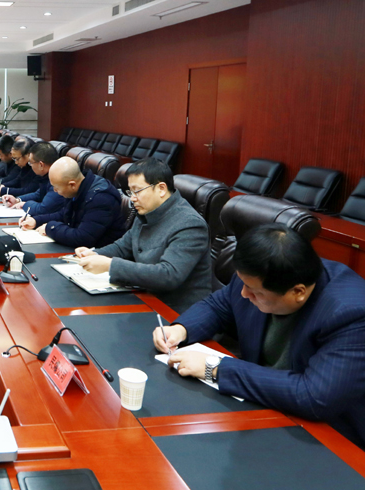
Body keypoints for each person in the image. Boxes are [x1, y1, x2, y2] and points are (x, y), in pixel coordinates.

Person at [155, 224, 365, 448]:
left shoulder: (351, 314)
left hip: (327, 439)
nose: (244, 293)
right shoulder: (257, 275)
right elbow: (220, 305)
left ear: (298, 292)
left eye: (255, 292)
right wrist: (181, 329)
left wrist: (215, 368)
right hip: (260, 408)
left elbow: (314, 396)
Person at [76, 158, 210, 313]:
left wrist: (111, 265)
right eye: (130, 192)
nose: (132, 198)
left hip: (176, 311)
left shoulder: (190, 224)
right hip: (145, 297)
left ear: (161, 189)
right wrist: (94, 254)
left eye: (137, 191)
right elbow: (122, 247)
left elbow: (168, 275)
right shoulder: (148, 211)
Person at [19, 157, 125, 249]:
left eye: (57, 188)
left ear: (72, 184)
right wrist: (36, 220)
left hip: (99, 255)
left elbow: (83, 238)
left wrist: (50, 228)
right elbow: (64, 214)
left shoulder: (100, 198)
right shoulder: (79, 187)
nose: (55, 191)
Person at [2, 142, 67, 215]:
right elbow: (38, 194)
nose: (30, 165)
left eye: (31, 163)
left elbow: (43, 209)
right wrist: (17, 200)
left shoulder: (57, 179)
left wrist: (25, 205)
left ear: (41, 165)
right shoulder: (46, 176)